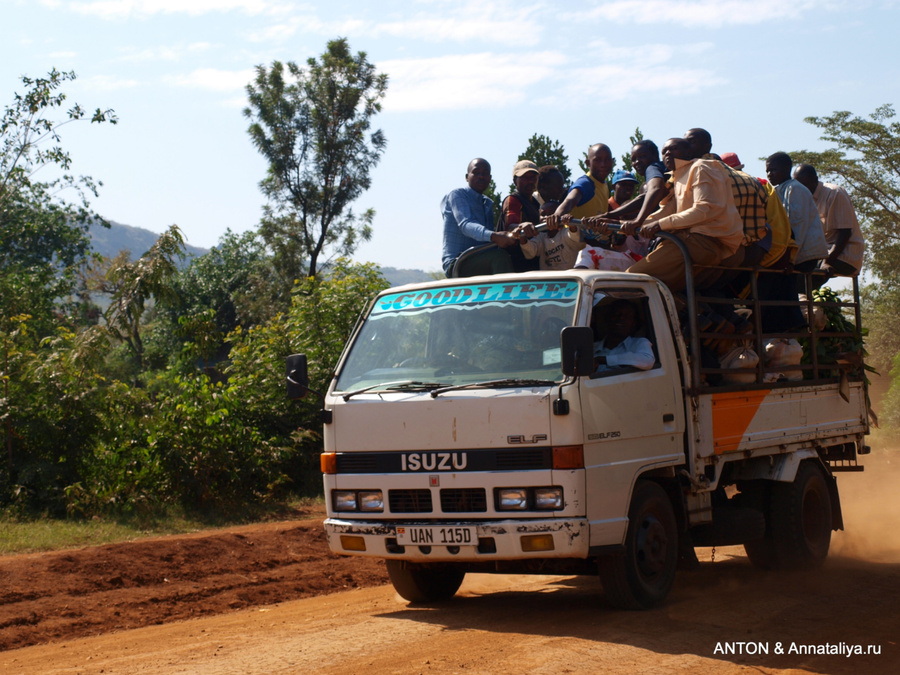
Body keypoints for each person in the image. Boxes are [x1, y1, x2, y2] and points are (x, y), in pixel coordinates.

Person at [625, 138, 744, 292]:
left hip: (701, 242)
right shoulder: (679, 176)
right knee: (665, 291)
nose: (668, 153)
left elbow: (703, 209)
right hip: (691, 242)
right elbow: (668, 211)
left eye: (673, 148)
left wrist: (659, 225)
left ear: (689, 151)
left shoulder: (701, 167)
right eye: (664, 151)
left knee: (631, 278)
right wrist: (631, 225)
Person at [441, 158, 518, 277]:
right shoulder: (458, 195)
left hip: (480, 259)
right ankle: (508, 295)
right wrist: (494, 236)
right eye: (476, 172)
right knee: (499, 258)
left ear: (490, 179)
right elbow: (466, 225)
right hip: (457, 263)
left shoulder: (487, 204)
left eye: (485, 173)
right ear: (467, 177)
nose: (481, 176)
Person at [792, 164, 865, 282]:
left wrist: (827, 262)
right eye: (798, 185)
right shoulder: (805, 199)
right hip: (822, 254)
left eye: (804, 184)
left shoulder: (834, 193)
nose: (801, 188)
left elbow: (845, 233)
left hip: (844, 255)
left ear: (815, 180)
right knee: (790, 271)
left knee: (800, 280)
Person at [765, 152, 827, 273]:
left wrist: (791, 259)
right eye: (767, 171)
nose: (769, 174)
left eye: (773, 170)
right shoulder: (778, 190)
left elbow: (797, 224)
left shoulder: (795, 189)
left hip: (804, 255)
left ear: (786, 169)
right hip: (791, 255)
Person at [546, 143, 613, 229]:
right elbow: (570, 200)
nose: (603, 164)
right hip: (576, 239)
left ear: (612, 161)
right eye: (597, 160)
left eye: (607, 160)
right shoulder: (586, 183)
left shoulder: (605, 185)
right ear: (588, 163)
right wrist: (556, 216)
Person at [498, 159, 542, 272]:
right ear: (515, 181)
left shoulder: (536, 203)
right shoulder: (513, 200)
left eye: (533, 178)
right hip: (516, 264)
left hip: (532, 260)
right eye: (525, 178)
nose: (530, 181)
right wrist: (521, 226)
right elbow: (510, 225)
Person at [591, 299, 655, 373]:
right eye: (616, 314)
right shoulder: (592, 348)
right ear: (607, 319)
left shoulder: (639, 343)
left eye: (627, 316)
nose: (621, 318)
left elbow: (647, 361)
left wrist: (603, 360)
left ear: (633, 323)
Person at [512, 216, 583, 270]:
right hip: (548, 280)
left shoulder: (565, 232)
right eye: (543, 214)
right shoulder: (541, 237)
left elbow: (574, 236)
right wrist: (521, 235)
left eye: (550, 214)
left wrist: (570, 223)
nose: (547, 217)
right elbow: (530, 253)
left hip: (571, 278)